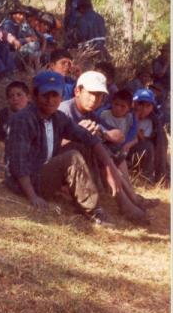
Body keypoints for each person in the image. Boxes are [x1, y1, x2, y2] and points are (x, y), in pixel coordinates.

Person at [5, 70, 108, 225]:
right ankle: (92, 211)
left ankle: (87, 196)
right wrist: (32, 197)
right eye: (45, 95)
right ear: (35, 95)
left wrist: (111, 169)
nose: (50, 100)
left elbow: (89, 138)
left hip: (42, 171)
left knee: (82, 145)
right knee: (71, 156)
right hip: (25, 182)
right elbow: (18, 163)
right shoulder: (23, 119)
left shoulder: (58, 118)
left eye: (55, 95)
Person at [59, 71, 155, 221]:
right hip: (63, 163)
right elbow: (50, 146)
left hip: (80, 164)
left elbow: (120, 136)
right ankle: (125, 203)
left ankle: (131, 199)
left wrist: (103, 134)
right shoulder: (64, 111)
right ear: (78, 91)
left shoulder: (90, 114)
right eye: (91, 93)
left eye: (99, 95)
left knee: (112, 148)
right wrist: (78, 132)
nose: (94, 99)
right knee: (92, 146)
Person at [127, 88, 168, 184]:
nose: (143, 109)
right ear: (133, 103)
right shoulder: (124, 113)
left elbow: (157, 146)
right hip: (121, 150)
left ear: (152, 107)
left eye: (148, 105)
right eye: (140, 104)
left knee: (149, 145)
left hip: (140, 154)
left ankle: (147, 178)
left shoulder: (153, 122)